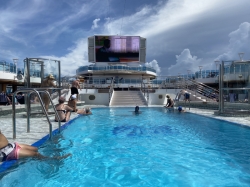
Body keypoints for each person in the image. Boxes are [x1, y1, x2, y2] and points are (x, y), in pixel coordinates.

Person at [0, 130, 71, 162]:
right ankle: (54, 159)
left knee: (35, 149)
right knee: (35, 154)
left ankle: (24, 157)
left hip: (10, 146)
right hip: (6, 152)